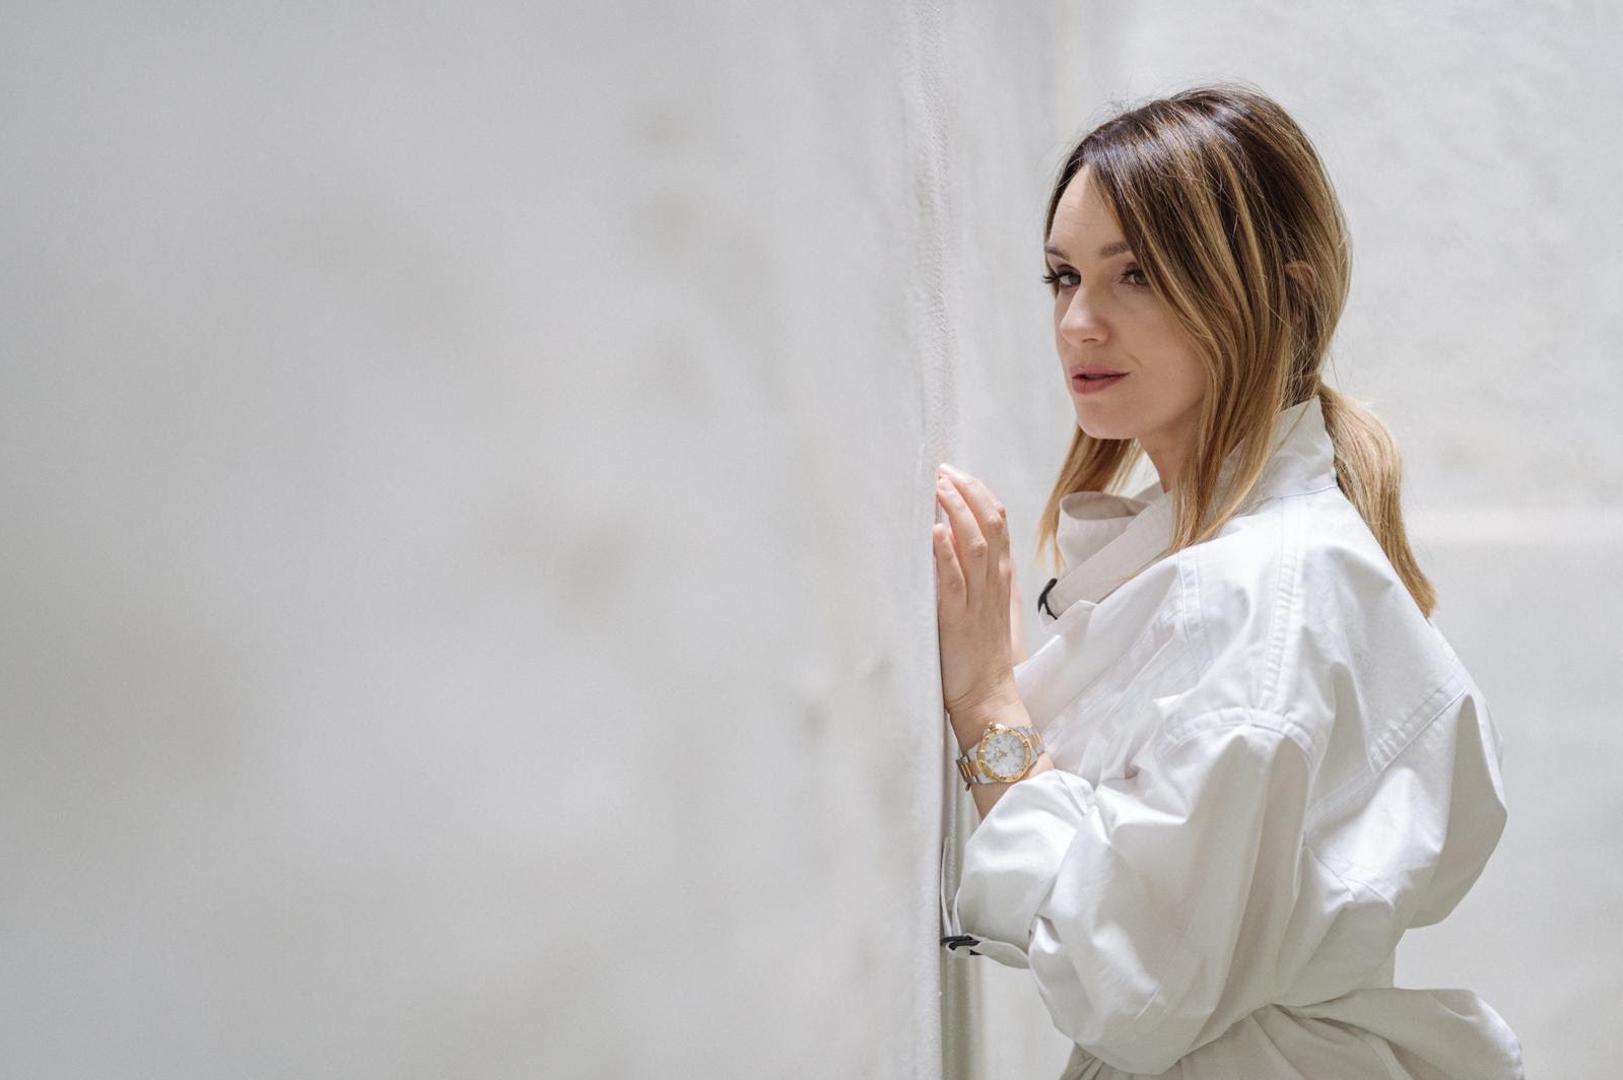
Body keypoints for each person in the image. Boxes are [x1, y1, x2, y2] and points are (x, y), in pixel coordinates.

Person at [930, 83, 1525, 1079]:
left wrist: (990, 705)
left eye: (1137, 275)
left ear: (1279, 296)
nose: (1079, 321)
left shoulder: (1259, 592)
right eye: (1063, 275)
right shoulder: (1246, 565)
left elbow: (1137, 987)